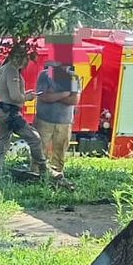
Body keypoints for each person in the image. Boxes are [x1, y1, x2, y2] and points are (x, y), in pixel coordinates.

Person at [0, 43, 45, 177]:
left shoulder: (3, 68)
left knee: (2, 142)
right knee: (34, 138)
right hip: (9, 113)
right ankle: (43, 168)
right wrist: (28, 97)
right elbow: (15, 96)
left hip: (1, 109)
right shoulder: (12, 70)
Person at [34, 48, 82, 187]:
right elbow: (44, 96)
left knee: (60, 151)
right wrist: (65, 94)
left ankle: (57, 178)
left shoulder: (73, 78)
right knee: (39, 148)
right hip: (44, 120)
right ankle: (36, 175)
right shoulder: (44, 75)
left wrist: (55, 96)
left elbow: (74, 100)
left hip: (64, 122)